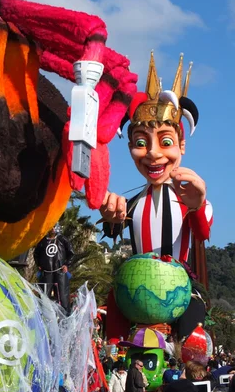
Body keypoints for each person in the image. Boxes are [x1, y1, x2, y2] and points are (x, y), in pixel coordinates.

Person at [100, 53, 212, 263]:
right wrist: (109, 214)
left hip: (178, 291)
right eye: (141, 143)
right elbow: (112, 229)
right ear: (130, 147)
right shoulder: (132, 205)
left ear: (182, 146)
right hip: (136, 291)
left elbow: (202, 234)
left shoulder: (193, 201)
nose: (153, 153)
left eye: (166, 142)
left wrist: (197, 206)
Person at [33, 223, 74, 313]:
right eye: (50, 227)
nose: (52, 229)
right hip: (46, 273)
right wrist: (39, 264)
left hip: (60, 272)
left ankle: (64, 318)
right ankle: (44, 317)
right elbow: (36, 254)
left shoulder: (62, 240)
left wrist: (67, 264)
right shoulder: (42, 242)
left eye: (54, 227)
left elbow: (71, 253)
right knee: (44, 297)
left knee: (63, 296)